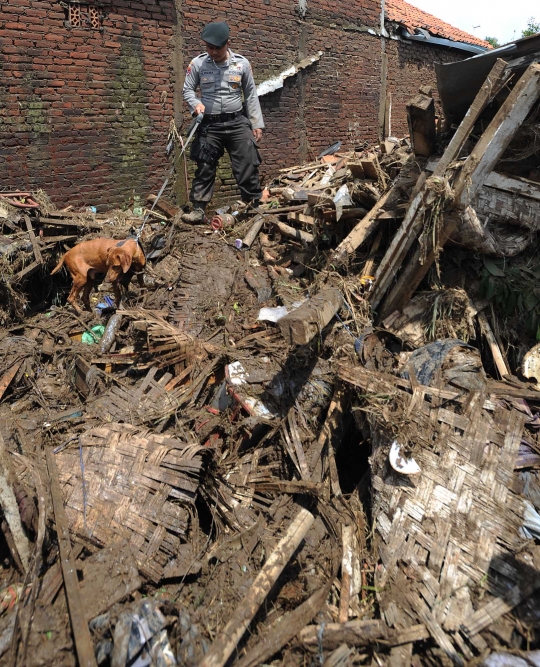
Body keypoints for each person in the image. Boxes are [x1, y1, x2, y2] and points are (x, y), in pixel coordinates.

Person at [181, 22, 265, 223]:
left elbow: (251, 95)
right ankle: (199, 210)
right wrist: (196, 104)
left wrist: (256, 123)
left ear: (228, 44)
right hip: (210, 125)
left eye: (217, 48)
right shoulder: (198, 64)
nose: (212, 52)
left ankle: (253, 206)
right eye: (209, 47)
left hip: (237, 122)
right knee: (205, 165)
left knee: (247, 163)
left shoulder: (242, 64)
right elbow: (187, 90)